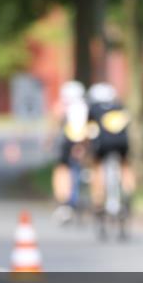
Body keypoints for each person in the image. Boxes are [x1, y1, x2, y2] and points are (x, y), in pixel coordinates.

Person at [85, 82, 135, 229]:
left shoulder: (93, 109)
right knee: (125, 164)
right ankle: (128, 190)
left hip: (103, 145)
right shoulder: (120, 106)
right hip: (121, 143)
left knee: (97, 166)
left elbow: (88, 130)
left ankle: (98, 200)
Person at [51, 80, 88, 224]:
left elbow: (54, 124)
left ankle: (64, 203)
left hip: (67, 142)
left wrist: (49, 140)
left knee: (62, 171)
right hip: (83, 142)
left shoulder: (62, 106)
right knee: (84, 165)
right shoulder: (86, 105)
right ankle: (85, 177)